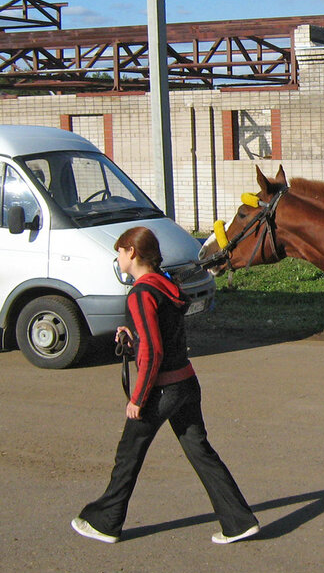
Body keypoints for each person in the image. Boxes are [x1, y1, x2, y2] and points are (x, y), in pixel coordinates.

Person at [72, 226, 259, 545]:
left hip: (161, 390)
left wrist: (138, 398)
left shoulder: (141, 293)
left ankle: (105, 522)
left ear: (131, 252)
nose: (118, 258)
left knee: (128, 455)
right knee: (201, 452)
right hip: (186, 382)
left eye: (119, 251)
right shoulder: (166, 286)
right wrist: (133, 337)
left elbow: (154, 351)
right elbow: (159, 336)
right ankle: (238, 521)